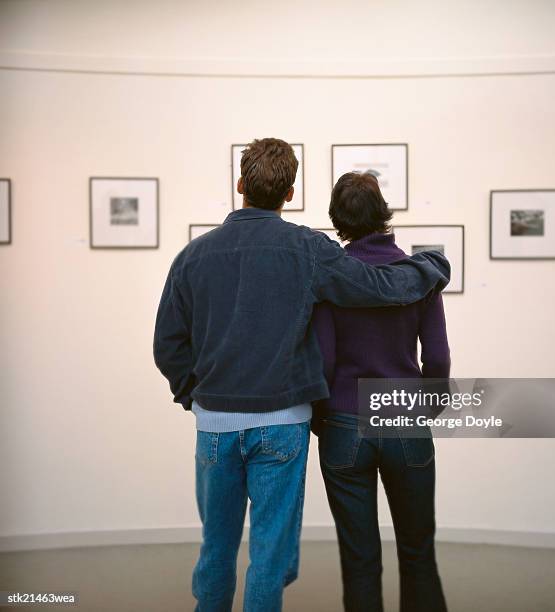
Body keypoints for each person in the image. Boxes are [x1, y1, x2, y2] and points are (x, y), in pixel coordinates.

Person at [153, 139, 450, 612]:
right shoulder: (309, 251)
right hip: (288, 423)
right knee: (271, 555)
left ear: (240, 185)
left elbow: (168, 345)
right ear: (290, 193)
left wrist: (198, 395)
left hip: (222, 426)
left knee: (217, 548)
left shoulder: (192, 256)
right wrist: (432, 266)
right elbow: (381, 289)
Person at [313, 172, 450, 612]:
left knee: (359, 562)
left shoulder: (332, 279)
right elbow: (439, 357)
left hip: (344, 425)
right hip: (403, 417)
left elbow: (324, 361)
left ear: (338, 219)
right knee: (418, 554)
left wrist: (324, 419)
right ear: (384, 213)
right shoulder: (420, 276)